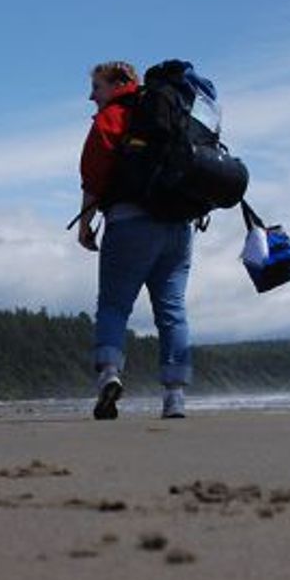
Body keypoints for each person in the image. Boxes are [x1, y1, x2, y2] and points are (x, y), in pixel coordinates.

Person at [77, 61, 193, 420]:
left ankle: (110, 375)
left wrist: (85, 224)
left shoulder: (113, 116)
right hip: (178, 226)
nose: (91, 95)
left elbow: (93, 176)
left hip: (130, 223)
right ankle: (174, 397)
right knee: (172, 312)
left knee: (114, 306)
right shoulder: (172, 112)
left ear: (118, 84)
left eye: (97, 87)